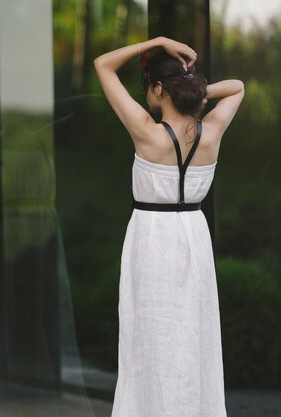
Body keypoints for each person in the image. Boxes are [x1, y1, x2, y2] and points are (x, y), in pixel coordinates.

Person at [94, 37, 244, 416]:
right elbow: (238, 87)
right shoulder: (211, 133)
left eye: (149, 88)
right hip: (193, 235)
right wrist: (191, 90)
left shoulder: (147, 132)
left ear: (159, 89)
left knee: (150, 340)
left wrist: (159, 42)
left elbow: (102, 65)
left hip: (152, 239)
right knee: (192, 339)